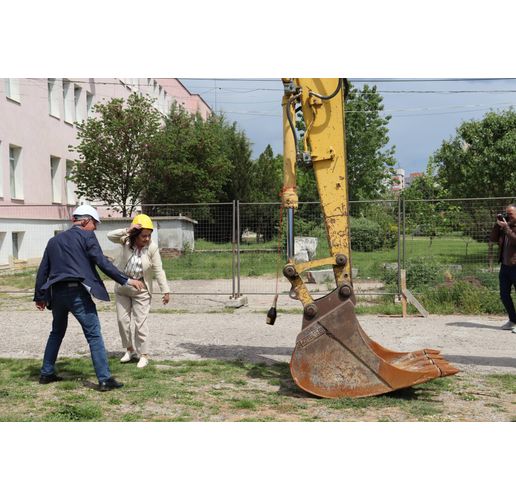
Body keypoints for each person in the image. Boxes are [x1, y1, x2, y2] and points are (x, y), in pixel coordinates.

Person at [34, 205, 145, 391]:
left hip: (57, 293)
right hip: (77, 292)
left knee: (56, 332)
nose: (95, 228)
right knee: (94, 335)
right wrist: (127, 280)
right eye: (95, 224)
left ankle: (46, 373)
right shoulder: (87, 236)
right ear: (85, 220)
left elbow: (43, 269)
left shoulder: (54, 240)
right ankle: (104, 379)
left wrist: (40, 296)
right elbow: (101, 262)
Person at [107, 214, 170, 368]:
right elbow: (110, 236)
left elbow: (159, 270)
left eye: (149, 235)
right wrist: (128, 230)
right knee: (123, 321)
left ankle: (144, 354)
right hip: (123, 287)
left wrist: (165, 290)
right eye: (143, 235)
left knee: (140, 324)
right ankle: (130, 350)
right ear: (136, 234)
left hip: (141, 290)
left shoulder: (152, 248)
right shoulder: (126, 240)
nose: (147, 239)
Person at [489, 204, 516, 333]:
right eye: (506, 214)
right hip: (505, 267)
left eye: (510, 214)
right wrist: (497, 225)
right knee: (504, 295)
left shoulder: (510, 228)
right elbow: (493, 239)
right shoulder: (505, 227)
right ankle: (513, 320)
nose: (507, 216)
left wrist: (507, 229)